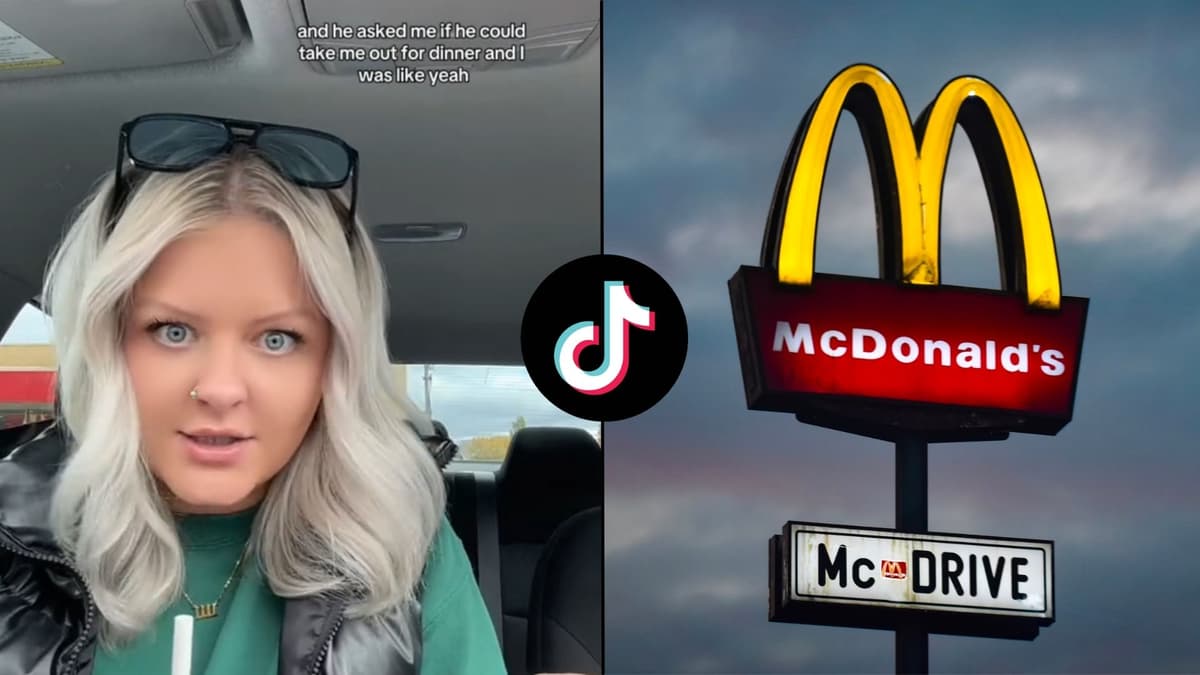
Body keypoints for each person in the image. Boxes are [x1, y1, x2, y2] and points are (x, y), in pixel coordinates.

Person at [0, 113, 507, 674]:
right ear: (106, 343)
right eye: (173, 331)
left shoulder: (401, 551)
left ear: (332, 366)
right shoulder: (11, 539)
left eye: (277, 338)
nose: (219, 389)